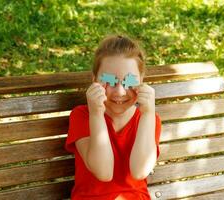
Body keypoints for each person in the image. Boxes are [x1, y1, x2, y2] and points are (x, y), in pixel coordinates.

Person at [65, 34, 161, 200]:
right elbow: (104, 172)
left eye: (129, 81)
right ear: (94, 80)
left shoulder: (149, 120)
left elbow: (139, 171)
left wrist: (148, 114)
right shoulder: (82, 116)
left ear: (141, 80)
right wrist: (96, 114)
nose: (120, 92)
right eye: (109, 80)